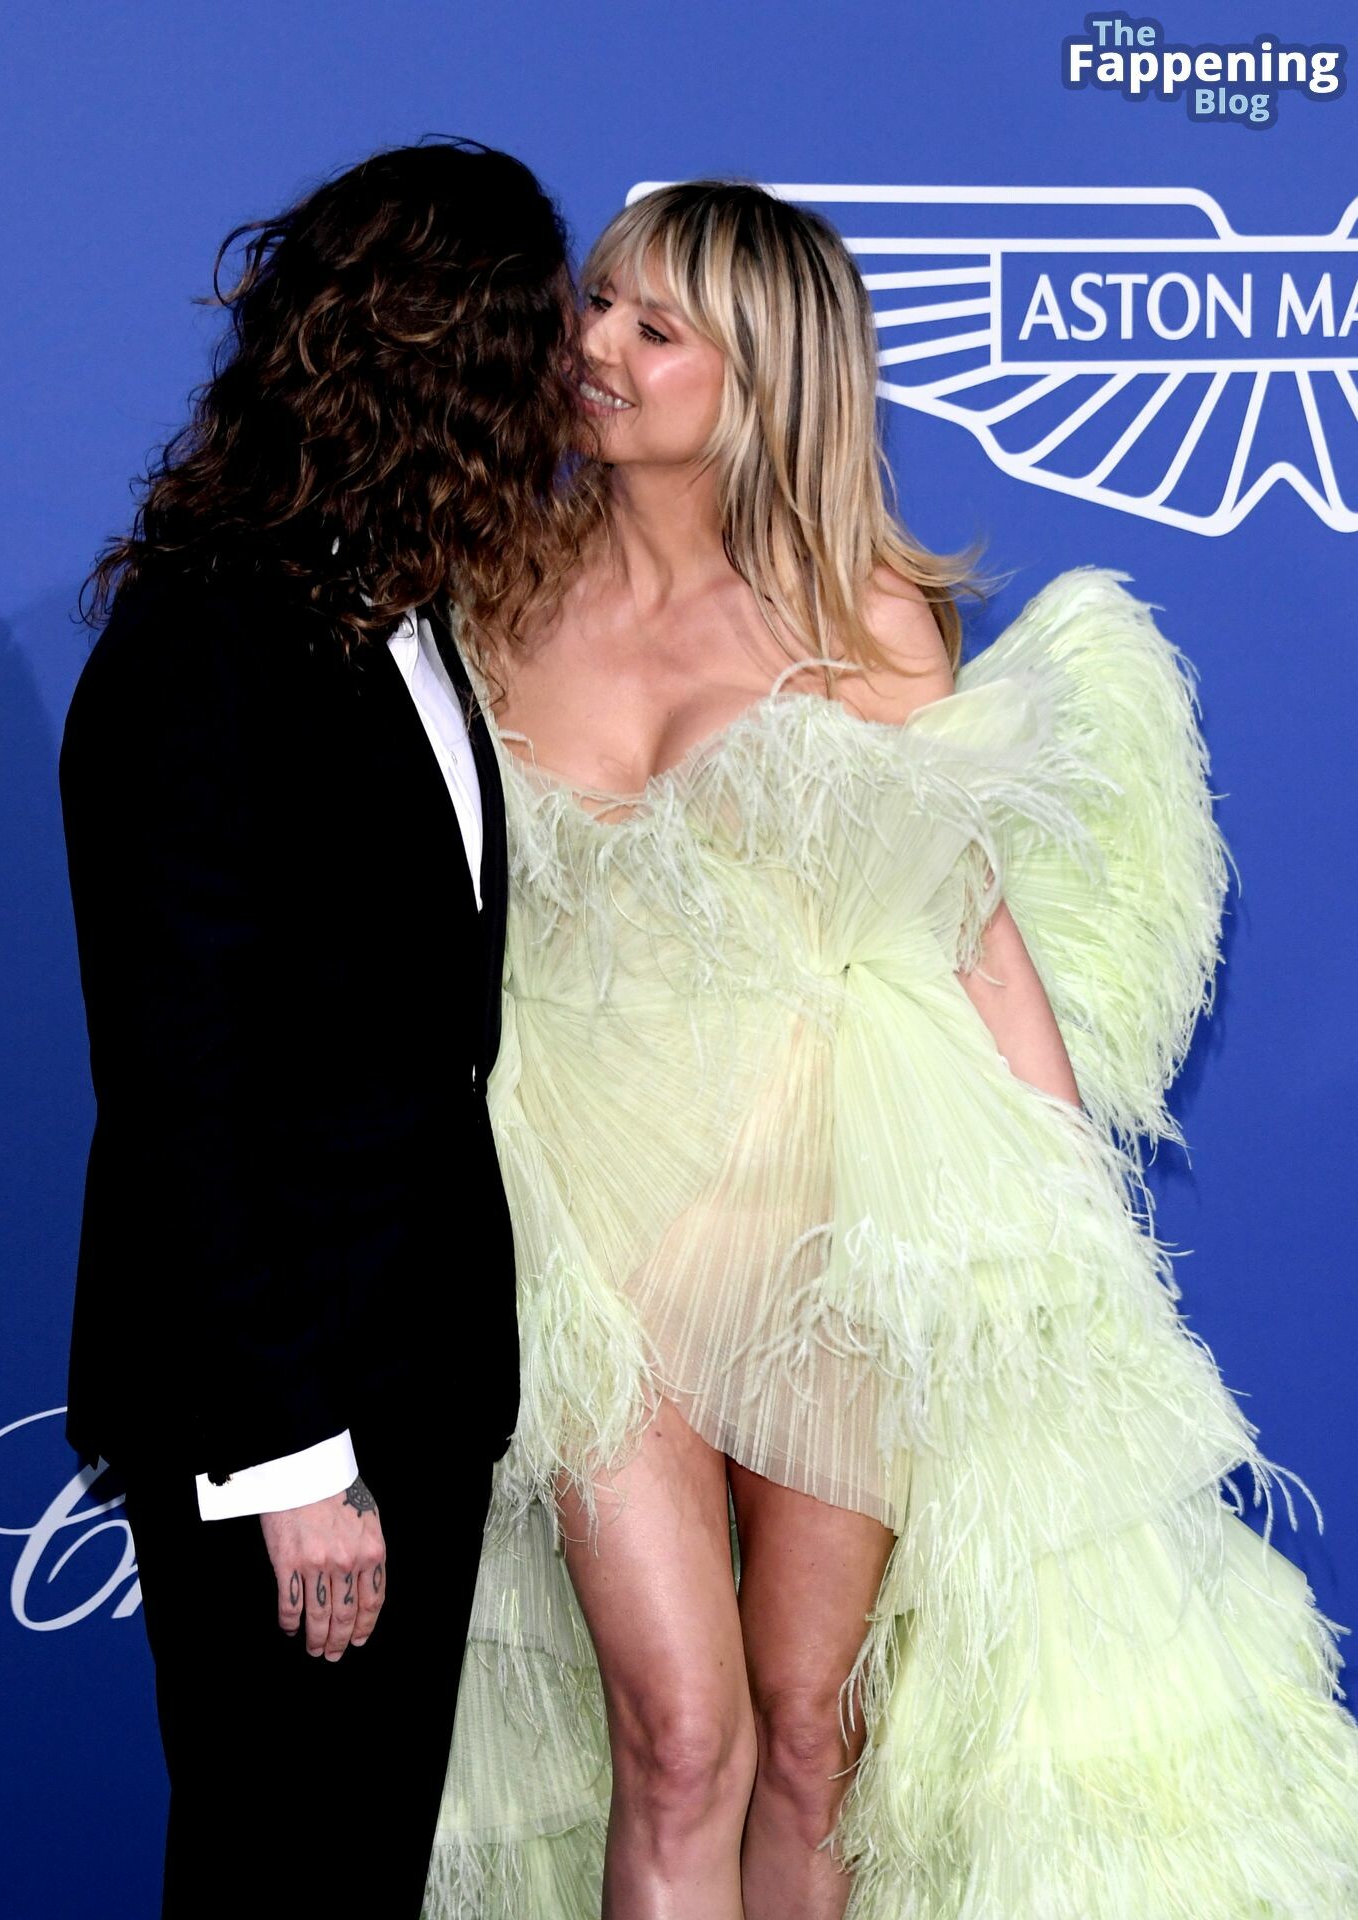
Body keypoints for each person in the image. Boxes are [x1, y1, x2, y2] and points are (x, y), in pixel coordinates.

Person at [421, 181, 1358, 1918]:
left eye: (651, 327)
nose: (593, 345)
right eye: (596, 301)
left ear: (760, 377)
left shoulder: (867, 618)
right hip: (580, 1231)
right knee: (674, 1735)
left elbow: (973, 933)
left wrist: (1064, 1229)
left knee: (808, 1732)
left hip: (825, 1225)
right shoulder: (489, 588)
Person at [58, 138, 591, 1917]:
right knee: (278, 1876)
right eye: (543, 338)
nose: (571, 381)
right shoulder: (207, 642)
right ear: (458, 366)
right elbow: (182, 1088)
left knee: (350, 1877)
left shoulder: (404, 612)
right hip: (283, 1420)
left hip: (411, 1384)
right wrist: (288, 1457)